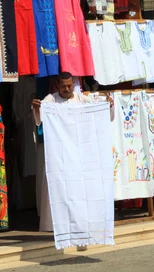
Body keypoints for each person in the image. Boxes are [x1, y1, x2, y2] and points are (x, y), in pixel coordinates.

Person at [31, 71, 112, 251]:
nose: (67, 89)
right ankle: (63, 234)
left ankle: (82, 237)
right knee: (62, 196)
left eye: (69, 85)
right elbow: (39, 120)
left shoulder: (81, 99)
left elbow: (98, 111)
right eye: (63, 86)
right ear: (57, 85)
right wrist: (37, 109)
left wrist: (108, 106)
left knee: (81, 196)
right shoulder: (51, 101)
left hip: (80, 157)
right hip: (60, 158)